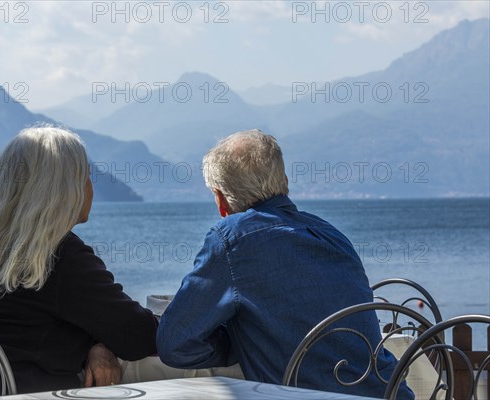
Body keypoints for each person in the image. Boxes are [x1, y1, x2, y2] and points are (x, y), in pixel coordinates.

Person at [156, 129, 414, 399]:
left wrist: (240, 343)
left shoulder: (233, 240)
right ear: (285, 182)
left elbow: (175, 344)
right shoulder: (332, 235)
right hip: (390, 392)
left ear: (221, 201)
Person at [0, 126, 158, 396]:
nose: (90, 187)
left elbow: (31, 325)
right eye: (85, 176)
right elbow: (140, 336)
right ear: (63, 189)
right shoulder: (59, 256)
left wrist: (97, 343)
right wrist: (106, 341)